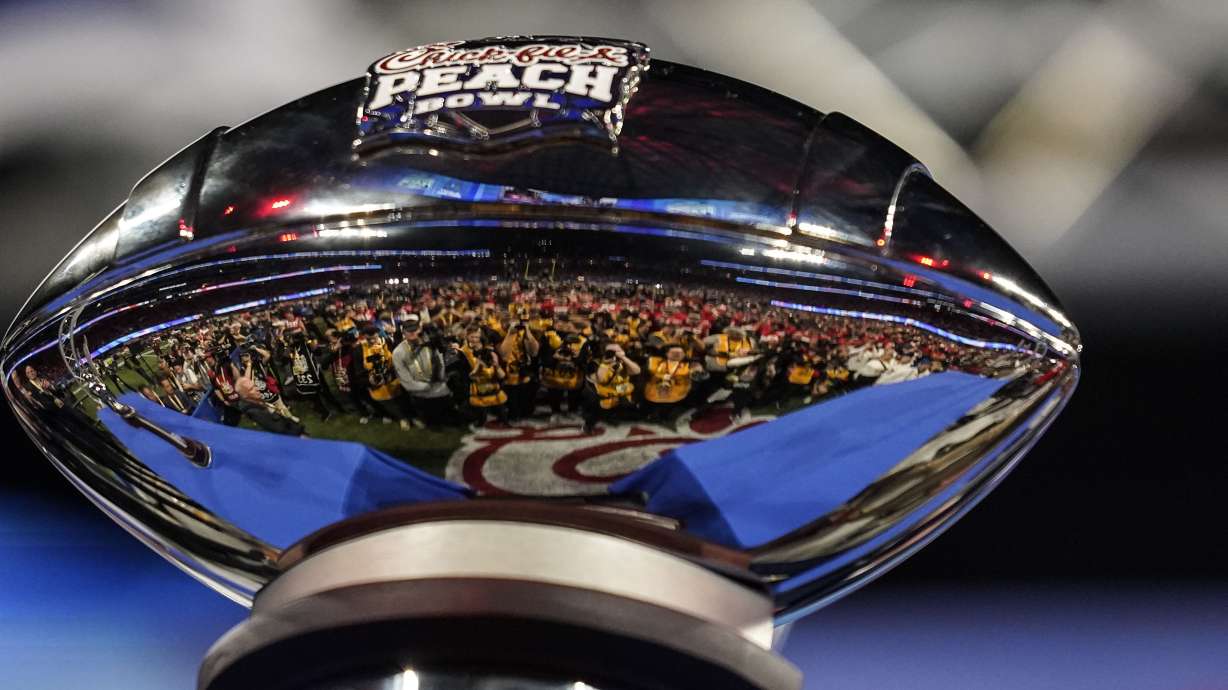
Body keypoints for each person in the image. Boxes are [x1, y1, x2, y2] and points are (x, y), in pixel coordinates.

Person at [392, 316, 453, 427]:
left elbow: (441, 364)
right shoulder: (398, 352)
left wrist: (440, 380)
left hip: (439, 387)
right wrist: (428, 387)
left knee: (448, 418)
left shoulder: (431, 344)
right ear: (403, 332)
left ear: (419, 330)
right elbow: (406, 380)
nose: (412, 333)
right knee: (432, 422)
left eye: (414, 329)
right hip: (420, 393)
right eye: (408, 330)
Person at [359, 326, 417, 430]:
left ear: (378, 334)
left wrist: (392, 374)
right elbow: (359, 371)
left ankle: (413, 417)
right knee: (389, 404)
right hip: (377, 385)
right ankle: (402, 419)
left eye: (374, 338)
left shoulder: (386, 342)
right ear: (364, 337)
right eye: (368, 339)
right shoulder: (359, 349)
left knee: (403, 400)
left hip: (393, 379)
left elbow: (397, 358)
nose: (372, 341)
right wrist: (370, 381)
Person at [582, 342, 640, 433]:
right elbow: (601, 380)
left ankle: (613, 416)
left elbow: (637, 371)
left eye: (618, 351)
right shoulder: (596, 362)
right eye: (611, 352)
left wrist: (623, 358)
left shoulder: (624, 362)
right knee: (596, 406)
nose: (615, 354)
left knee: (626, 402)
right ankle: (589, 424)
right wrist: (605, 364)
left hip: (619, 391)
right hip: (602, 393)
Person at [498, 316, 540, 419]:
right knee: (511, 400)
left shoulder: (527, 333)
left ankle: (525, 413)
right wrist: (510, 334)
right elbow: (504, 355)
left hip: (524, 372)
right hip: (506, 373)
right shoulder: (499, 334)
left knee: (526, 398)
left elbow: (534, 352)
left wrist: (527, 331)